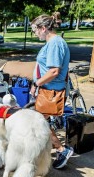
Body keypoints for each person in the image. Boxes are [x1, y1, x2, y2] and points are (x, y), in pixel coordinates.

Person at [30, 12, 74, 169]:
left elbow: (54, 71)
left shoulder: (55, 43)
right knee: (41, 122)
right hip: (47, 89)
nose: (35, 34)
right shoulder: (52, 43)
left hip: (50, 91)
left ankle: (61, 150)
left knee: (40, 123)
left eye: (35, 30)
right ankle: (49, 148)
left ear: (43, 28)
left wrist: (36, 83)